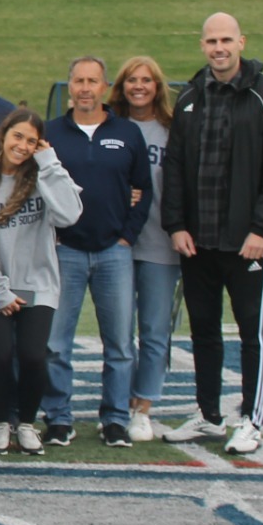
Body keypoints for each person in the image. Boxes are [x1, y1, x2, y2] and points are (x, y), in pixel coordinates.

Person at [162, 13, 263, 456]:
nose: (219, 48)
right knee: (203, 330)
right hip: (198, 240)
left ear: (241, 41)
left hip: (246, 242)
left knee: (250, 333)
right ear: (201, 45)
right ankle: (208, 414)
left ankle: (251, 419)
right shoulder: (190, 97)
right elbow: (175, 167)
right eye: (211, 41)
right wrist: (176, 224)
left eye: (226, 40)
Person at [42, 56, 152, 448]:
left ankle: (115, 418)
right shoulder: (51, 132)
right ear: (69, 86)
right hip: (65, 252)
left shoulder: (127, 133)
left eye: (93, 81)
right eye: (78, 81)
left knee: (120, 342)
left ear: (105, 87)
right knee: (56, 343)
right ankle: (58, 417)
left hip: (113, 253)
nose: (85, 88)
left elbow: (144, 189)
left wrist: (126, 236)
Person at [0, 109, 80, 456]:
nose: (23, 146)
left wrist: (48, 161)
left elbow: (70, 215)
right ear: (3, 135)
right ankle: (0, 422)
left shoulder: (44, 173)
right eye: (18, 137)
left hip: (38, 282)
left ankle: (25, 422)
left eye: (31, 140)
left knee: (33, 355)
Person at [110, 56, 179, 441]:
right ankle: (118, 407)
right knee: (120, 333)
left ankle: (144, 406)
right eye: (131, 80)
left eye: (146, 80)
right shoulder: (110, 127)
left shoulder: (172, 130)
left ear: (157, 86)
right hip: (117, 243)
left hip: (160, 241)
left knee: (154, 330)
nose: (139, 86)